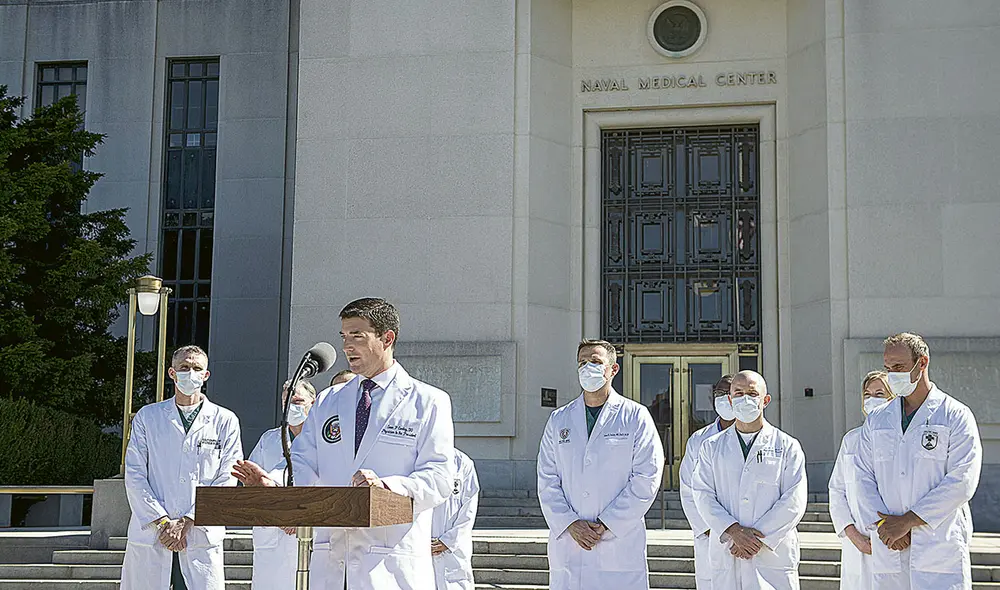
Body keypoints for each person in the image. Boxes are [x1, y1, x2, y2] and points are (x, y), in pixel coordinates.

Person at [231, 297, 455, 590]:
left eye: (357, 336)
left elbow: (439, 479)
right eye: (344, 337)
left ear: (387, 338)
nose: (347, 346)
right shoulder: (329, 400)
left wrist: (387, 487)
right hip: (331, 561)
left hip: (388, 565)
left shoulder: (427, 402)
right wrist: (274, 485)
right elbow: (303, 463)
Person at [855, 333, 983, 590]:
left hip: (937, 547)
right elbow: (862, 475)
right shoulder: (877, 420)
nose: (893, 375)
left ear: (922, 363)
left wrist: (908, 521)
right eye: (888, 369)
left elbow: (962, 480)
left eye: (899, 368)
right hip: (890, 543)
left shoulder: (955, 415)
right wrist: (885, 524)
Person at [537, 339, 665, 590]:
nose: (587, 368)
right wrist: (570, 523)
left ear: (613, 369)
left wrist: (607, 523)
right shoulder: (559, 419)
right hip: (569, 542)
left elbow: (647, 476)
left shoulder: (635, 416)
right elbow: (547, 478)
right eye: (582, 363)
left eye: (595, 362)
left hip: (617, 540)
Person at [121, 345, 243, 590]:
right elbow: (135, 474)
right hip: (154, 534)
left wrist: (188, 520)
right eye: (184, 368)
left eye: (197, 368)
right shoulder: (148, 417)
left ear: (206, 375)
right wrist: (164, 523)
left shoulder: (224, 420)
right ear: (172, 373)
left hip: (200, 535)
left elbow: (227, 479)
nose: (191, 373)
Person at [691, 370, 807, 590]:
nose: (745, 399)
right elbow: (703, 494)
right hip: (728, 550)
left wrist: (753, 539)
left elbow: (794, 500)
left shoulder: (787, 446)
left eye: (752, 394)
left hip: (770, 553)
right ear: (730, 399)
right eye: (739, 393)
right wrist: (734, 531)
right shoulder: (711, 446)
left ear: (765, 400)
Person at [247, 378, 317, 589]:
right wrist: (280, 516)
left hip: (309, 534)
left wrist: (299, 517)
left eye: (297, 401)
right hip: (271, 538)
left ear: (312, 403)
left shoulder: (324, 440)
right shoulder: (268, 440)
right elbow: (252, 486)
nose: (291, 408)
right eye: (287, 403)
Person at [827, 371, 895, 590]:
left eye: (879, 393)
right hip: (857, 545)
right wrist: (852, 534)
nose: (871, 399)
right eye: (867, 394)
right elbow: (837, 490)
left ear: (893, 398)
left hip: (893, 540)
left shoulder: (902, 439)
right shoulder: (851, 439)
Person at [679, 374, 735, 590]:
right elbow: (688, 488)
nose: (724, 398)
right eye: (719, 393)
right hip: (711, 535)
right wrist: (709, 528)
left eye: (730, 393)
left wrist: (740, 531)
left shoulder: (764, 440)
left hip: (749, 536)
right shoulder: (699, 440)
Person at [431, 449, 480, 590]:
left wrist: (449, 541)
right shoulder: (413, 457)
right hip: (420, 547)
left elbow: (469, 509)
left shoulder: (462, 462)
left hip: (452, 552)